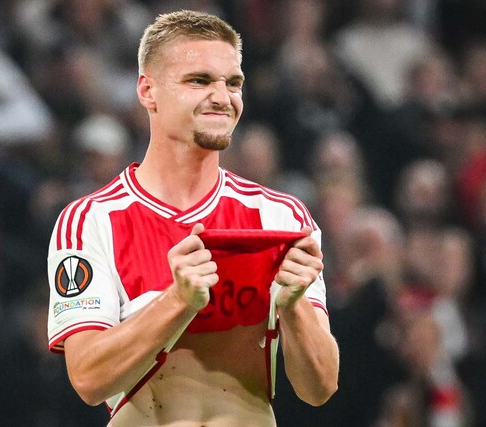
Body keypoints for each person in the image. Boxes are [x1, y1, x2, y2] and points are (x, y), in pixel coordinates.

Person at [46, 10, 339, 426]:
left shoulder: (280, 216)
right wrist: (178, 300)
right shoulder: (90, 221)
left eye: (233, 83)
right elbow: (88, 380)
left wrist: (294, 307)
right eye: (199, 80)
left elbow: (320, 388)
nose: (222, 97)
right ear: (148, 91)